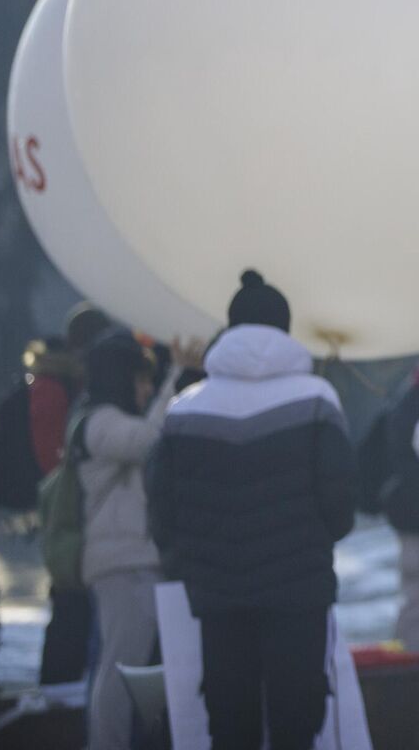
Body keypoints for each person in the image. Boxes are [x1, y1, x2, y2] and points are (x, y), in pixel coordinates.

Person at [148, 271, 355, 750]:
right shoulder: (317, 400)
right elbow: (340, 505)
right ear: (285, 328)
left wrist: (190, 567)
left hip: (219, 596)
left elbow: (161, 508)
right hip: (299, 594)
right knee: (296, 724)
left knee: (229, 725)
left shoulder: (184, 411)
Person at [79, 331, 201, 749]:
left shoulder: (105, 420)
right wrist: (179, 374)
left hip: (137, 564)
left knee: (138, 676)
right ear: (119, 378)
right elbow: (150, 439)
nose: (147, 388)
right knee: (119, 673)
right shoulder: (97, 423)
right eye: (141, 379)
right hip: (123, 568)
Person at [29, 305, 115, 685]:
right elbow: (54, 460)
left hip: (73, 511)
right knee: (70, 603)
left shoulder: (63, 382)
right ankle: (57, 696)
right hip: (67, 511)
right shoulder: (57, 387)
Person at [367, 355, 419, 656]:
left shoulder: (411, 394)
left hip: (415, 522)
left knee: (418, 608)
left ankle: (413, 682)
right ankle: (416, 687)